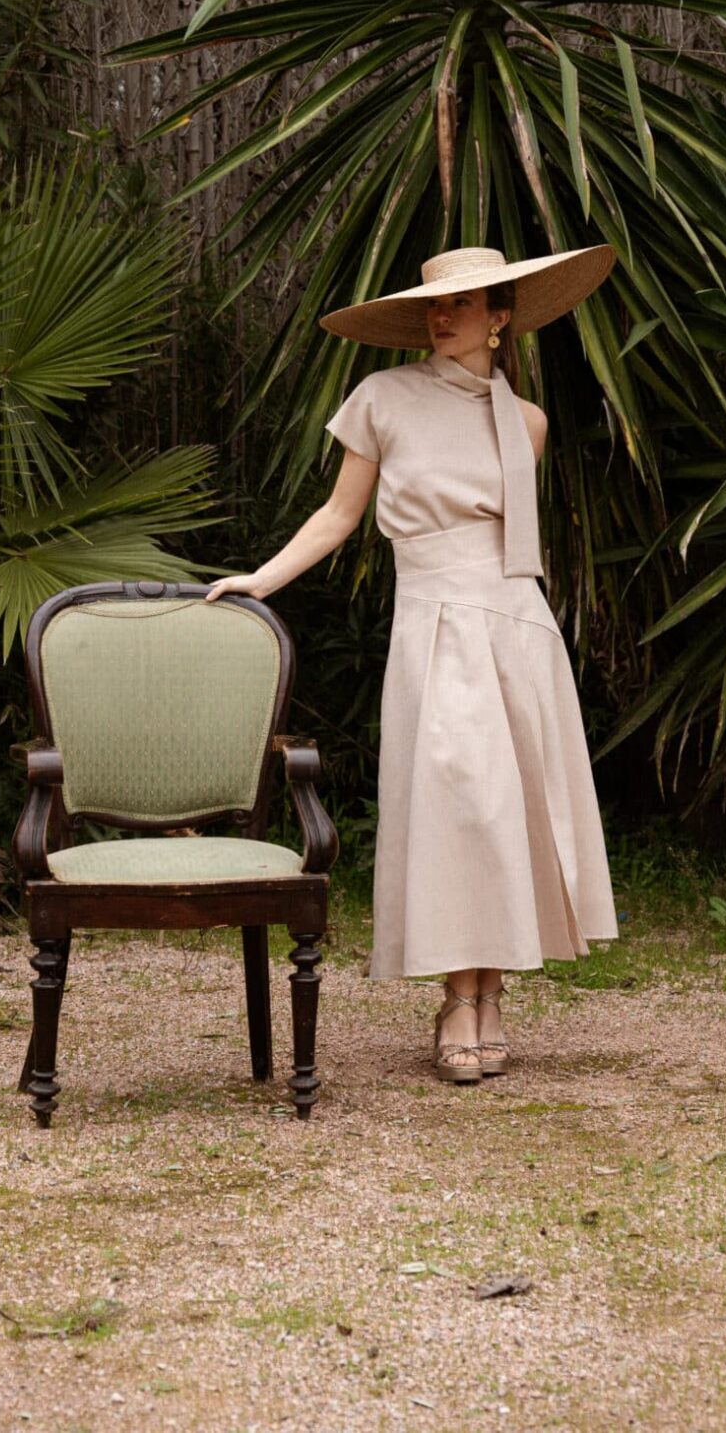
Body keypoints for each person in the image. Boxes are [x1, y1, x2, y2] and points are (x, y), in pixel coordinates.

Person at [205, 246, 620, 1084]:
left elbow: (512, 542)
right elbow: (338, 515)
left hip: (516, 625)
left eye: (462, 304)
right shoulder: (382, 398)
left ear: (499, 318)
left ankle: (487, 995)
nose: (442, 316)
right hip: (432, 625)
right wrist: (262, 579)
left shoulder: (528, 422)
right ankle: (454, 995)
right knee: (456, 807)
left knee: (507, 811)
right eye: (435, 303)